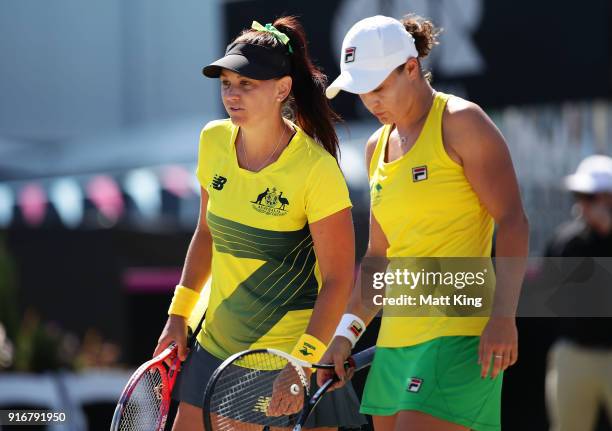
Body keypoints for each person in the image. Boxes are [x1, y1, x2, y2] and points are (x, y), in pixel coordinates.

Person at [154, 16, 366, 431]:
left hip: (285, 352)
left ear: (282, 89)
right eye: (226, 83)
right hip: (213, 344)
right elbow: (206, 235)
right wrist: (177, 314)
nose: (232, 94)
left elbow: (339, 279)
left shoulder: (316, 170)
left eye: (246, 84)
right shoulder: (212, 140)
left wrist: (301, 363)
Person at [319, 15, 529, 431]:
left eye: (379, 88)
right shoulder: (375, 147)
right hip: (396, 342)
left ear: (411, 69)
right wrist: (344, 335)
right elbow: (379, 259)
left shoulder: (462, 122)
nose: (371, 102)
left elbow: (513, 221)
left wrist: (503, 316)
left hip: (461, 336)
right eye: (362, 92)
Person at [544, 155, 612, 431]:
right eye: (580, 196)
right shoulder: (567, 240)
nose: (583, 204)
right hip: (574, 352)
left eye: (591, 196)